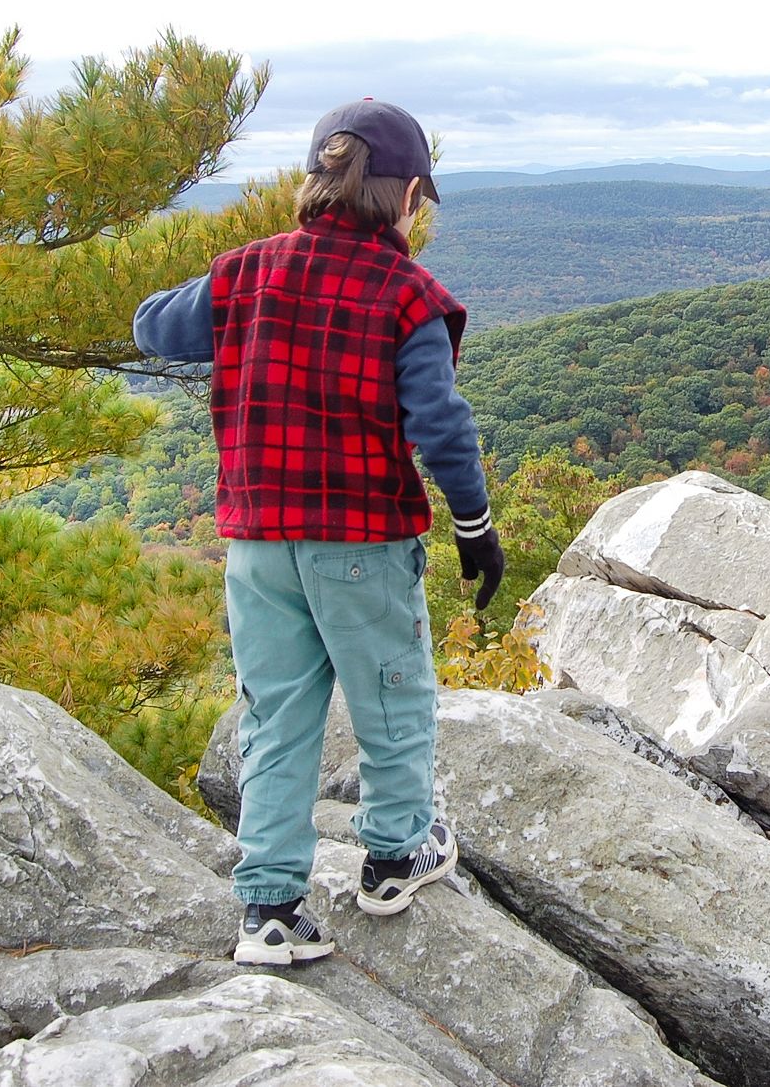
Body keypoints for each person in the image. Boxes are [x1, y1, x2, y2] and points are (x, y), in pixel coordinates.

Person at [133, 98, 504, 965]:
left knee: (275, 714)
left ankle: (268, 907)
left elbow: (153, 325)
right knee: (391, 696)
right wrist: (473, 527)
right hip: (361, 542)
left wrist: (241, 281)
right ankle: (394, 854)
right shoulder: (409, 295)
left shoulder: (244, 273)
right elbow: (441, 426)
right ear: (408, 193)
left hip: (257, 543)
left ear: (315, 179)